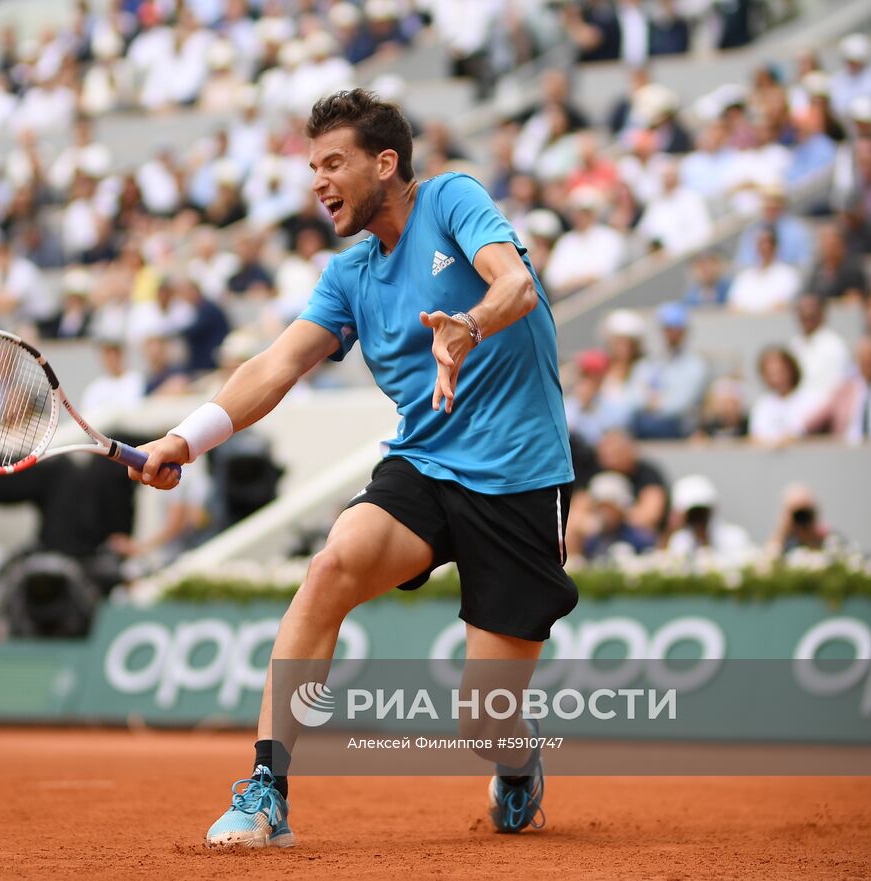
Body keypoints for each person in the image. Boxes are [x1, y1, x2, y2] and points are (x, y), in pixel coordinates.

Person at [129, 90, 576, 846]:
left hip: (520, 476)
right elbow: (276, 365)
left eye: (334, 163)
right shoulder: (350, 274)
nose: (318, 181)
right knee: (331, 564)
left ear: (386, 162)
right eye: (312, 167)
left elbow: (517, 285)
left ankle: (517, 762)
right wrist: (185, 438)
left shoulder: (452, 199)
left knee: (483, 717)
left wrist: (467, 325)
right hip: (426, 463)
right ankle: (266, 786)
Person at [629, 302, 708, 439]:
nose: (672, 334)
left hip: (678, 428)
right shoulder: (647, 363)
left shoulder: (696, 366)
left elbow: (681, 404)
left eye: (677, 330)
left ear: (684, 332)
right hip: (644, 424)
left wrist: (653, 403)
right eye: (667, 329)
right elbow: (634, 397)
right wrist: (652, 403)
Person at [664, 474, 753, 567]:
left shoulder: (735, 538)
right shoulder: (679, 542)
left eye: (702, 512)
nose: (698, 519)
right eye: (692, 514)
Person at [788, 294, 853, 404]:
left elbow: (835, 389)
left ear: (822, 314)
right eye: (802, 314)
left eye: (811, 315)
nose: (806, 317)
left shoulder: (835, 346)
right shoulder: (794, 344)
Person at [749, 347, 816, 446]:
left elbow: (805, 432)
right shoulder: (763, 404)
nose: (775, 376)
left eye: (779, 370)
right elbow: (756, 436)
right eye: (769, 372)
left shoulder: (810, 399)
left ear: (791, 369)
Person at [582, 471, 655, 560]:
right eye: (602, 508)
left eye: (610, 508)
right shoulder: (592, 540)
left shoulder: (639, 539)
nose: (606, 514)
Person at [767, 483, 841, 556]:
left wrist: (818, 533)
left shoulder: (829, 538)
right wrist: (781, 532)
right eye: (797, 513)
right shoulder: (784, 543)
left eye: (805, 511)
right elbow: (767, 561)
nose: (801, 517)